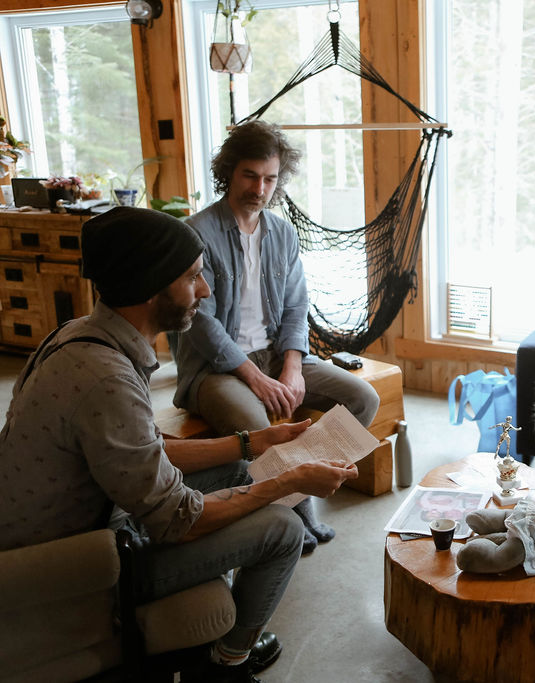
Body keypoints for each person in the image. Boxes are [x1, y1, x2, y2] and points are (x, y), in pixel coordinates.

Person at [0, 207, 358, 682]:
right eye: (192, 278)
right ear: (152, 288)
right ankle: (226, 666)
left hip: (100, 519)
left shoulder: (79, 337)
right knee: (283, 529)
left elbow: (141, 452)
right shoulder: (106, 379)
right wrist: (289, 482)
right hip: (81, 565)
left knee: (245, 473)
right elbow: (177, 520)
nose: (205, 290)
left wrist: (253, 443)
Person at [172, 119, 379, 553]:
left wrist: (291, 367)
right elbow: (202, 322)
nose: (259, 188)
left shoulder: (282, 232)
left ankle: (297, 492)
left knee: (364, 399)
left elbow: (295, 306)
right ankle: (297, 513)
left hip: (273, 355)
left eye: (269, 178)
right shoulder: (197, 232)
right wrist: (256, 377)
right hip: (215, 371)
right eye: (250, 175)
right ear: (228, 171)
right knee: (256, 427)